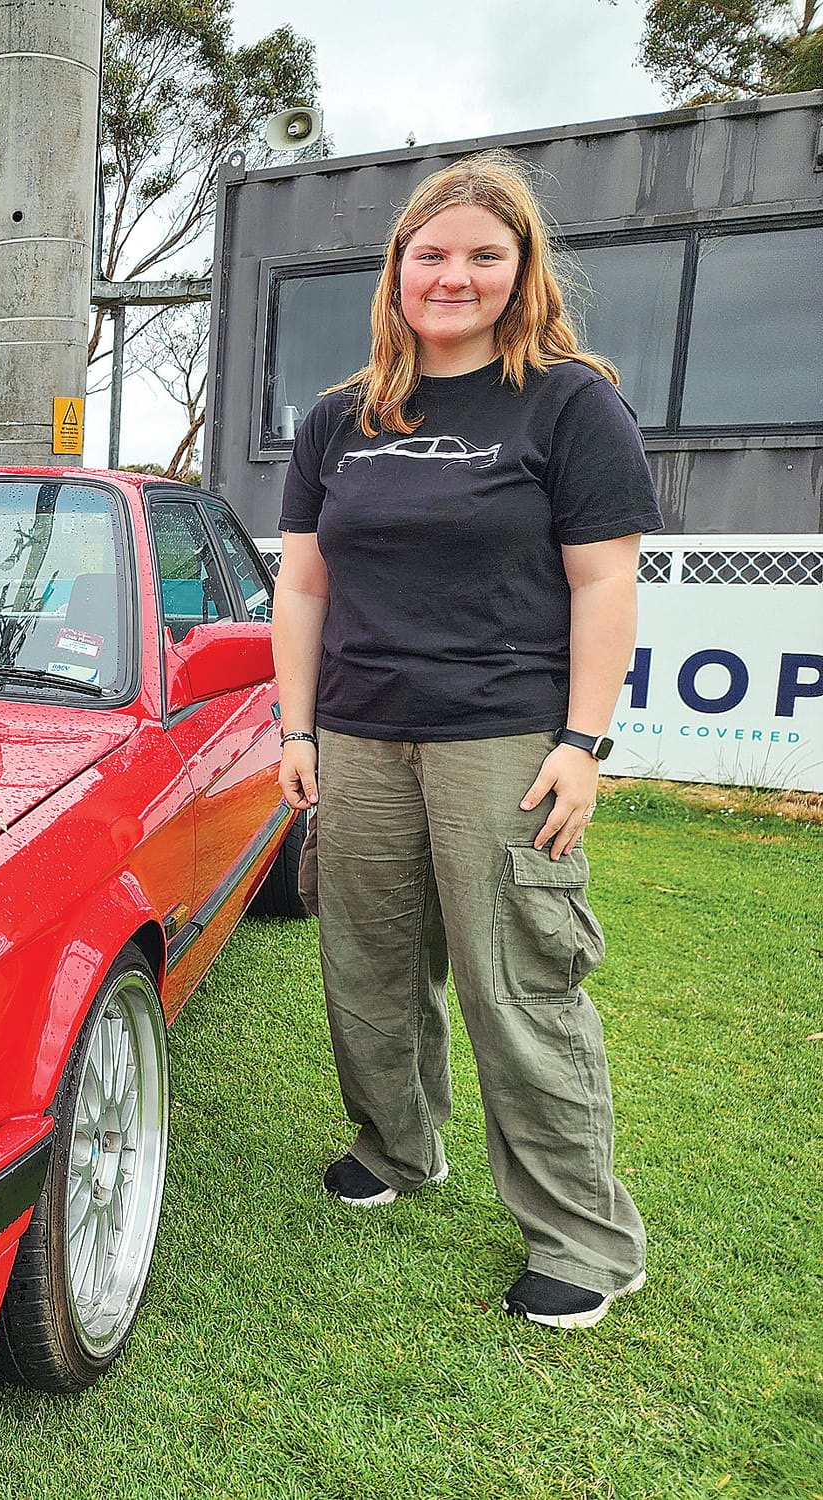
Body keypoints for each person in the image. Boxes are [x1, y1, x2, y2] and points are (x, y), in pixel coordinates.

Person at [271, 150, 660, 1330]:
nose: (454, 276)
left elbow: (601, 585)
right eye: (429, 254)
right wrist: (297, 728)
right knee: (365, 966)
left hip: (499, 733)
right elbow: (300, 588)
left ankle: (585, 1243)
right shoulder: (339, 417)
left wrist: (581, 741)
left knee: (515, 983)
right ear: (395, 270)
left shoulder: (567, 401)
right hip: (357, 732)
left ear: (519, 268)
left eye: (482, 256)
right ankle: (396, 1149)